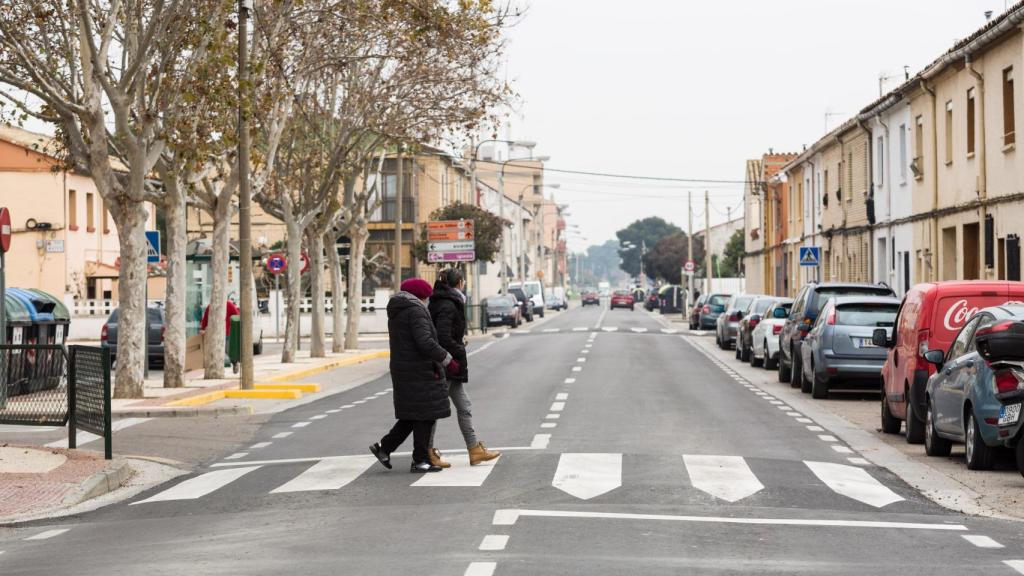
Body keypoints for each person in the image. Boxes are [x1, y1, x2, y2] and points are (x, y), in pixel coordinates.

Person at [370, 278, 460, 473]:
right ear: (421, 296)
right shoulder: (415, 311)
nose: (428, 300)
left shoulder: (399, 309)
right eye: (426, 297)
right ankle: (419, 461)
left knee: (414, 415)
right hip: (419, 369)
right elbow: (425, 342)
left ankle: (384, 448)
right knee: (425, 415)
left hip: (406, 369)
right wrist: (447, 359)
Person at [426, 269, 500, 468]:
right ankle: (427, 451)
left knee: (464, 406)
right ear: (458, 283)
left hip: (449, 362)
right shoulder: (449, 304)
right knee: (436, 410)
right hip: (448, 363)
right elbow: (442, 336)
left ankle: (474, 449)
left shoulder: (441, 301)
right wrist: (457, 348)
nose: (464, 285)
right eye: (463, 282)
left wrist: (458, 343)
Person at [200, 297, 240, 369]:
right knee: (215, 351)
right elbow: (205, 318)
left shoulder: (229, 304)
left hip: (226, 332)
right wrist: (202, 328)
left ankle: (234, 363)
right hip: (214, 333)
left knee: (228, 350)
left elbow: (237, 315)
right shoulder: (210, 306)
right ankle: (216, 367)